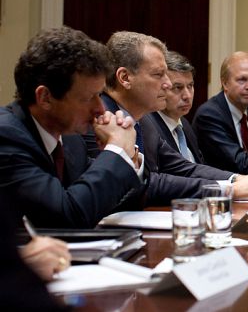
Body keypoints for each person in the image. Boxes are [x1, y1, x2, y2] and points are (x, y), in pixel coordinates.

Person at [98, 32, 248, 204]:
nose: (167, 84)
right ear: (125, 77)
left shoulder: (145, 121)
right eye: (158, 75)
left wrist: (238, 179)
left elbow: (183, 167)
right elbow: (146, 184)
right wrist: (229, 189)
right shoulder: (99, 120)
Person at [0, 26, 144, 228]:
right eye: (87, 98)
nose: (100, 109)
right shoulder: (6, 137)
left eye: (99, 95)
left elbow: (101, 202)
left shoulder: (70, 137)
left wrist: (125, 157)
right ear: (45, 98)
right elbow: (65, 216)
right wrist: (116, 150)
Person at [149, 51, 205, 163]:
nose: (187, 96)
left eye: (190, 86)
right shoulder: (150, 128)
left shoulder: (184, 124)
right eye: (177, 88)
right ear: (162, 87)